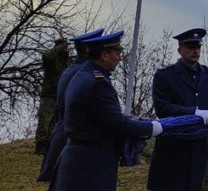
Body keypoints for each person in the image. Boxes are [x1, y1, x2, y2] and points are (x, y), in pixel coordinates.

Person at [52, 31, 160, 191]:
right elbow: (116, 123)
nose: (119, 58)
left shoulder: (82, 75)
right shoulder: (98, 83)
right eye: (117, 53)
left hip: (79, 158)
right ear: (104, 55)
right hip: (91, 163)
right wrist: (150, 128)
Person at [147, 28, 208, 191]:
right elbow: (163, 108)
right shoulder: (165, 75)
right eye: (191, 47)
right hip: (173, 144)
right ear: (180, 50)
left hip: (199, 144)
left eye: (198, 47)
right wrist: (193, 112)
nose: (196, 51)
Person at [37, 28, 104, 182]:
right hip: (74, 139)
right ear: (89, 50)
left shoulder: (72, 69)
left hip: (64, 134)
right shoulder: (86, 74)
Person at [35, 37, 71, 154]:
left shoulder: (67, 62)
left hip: (61, 96)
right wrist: (59, 48)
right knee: (45, 121)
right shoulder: (52, 60)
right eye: (64, 46)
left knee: (54, 123)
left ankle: (49, 146)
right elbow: (47, 56)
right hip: (49, 95)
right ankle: (40, 145)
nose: (66, 48)